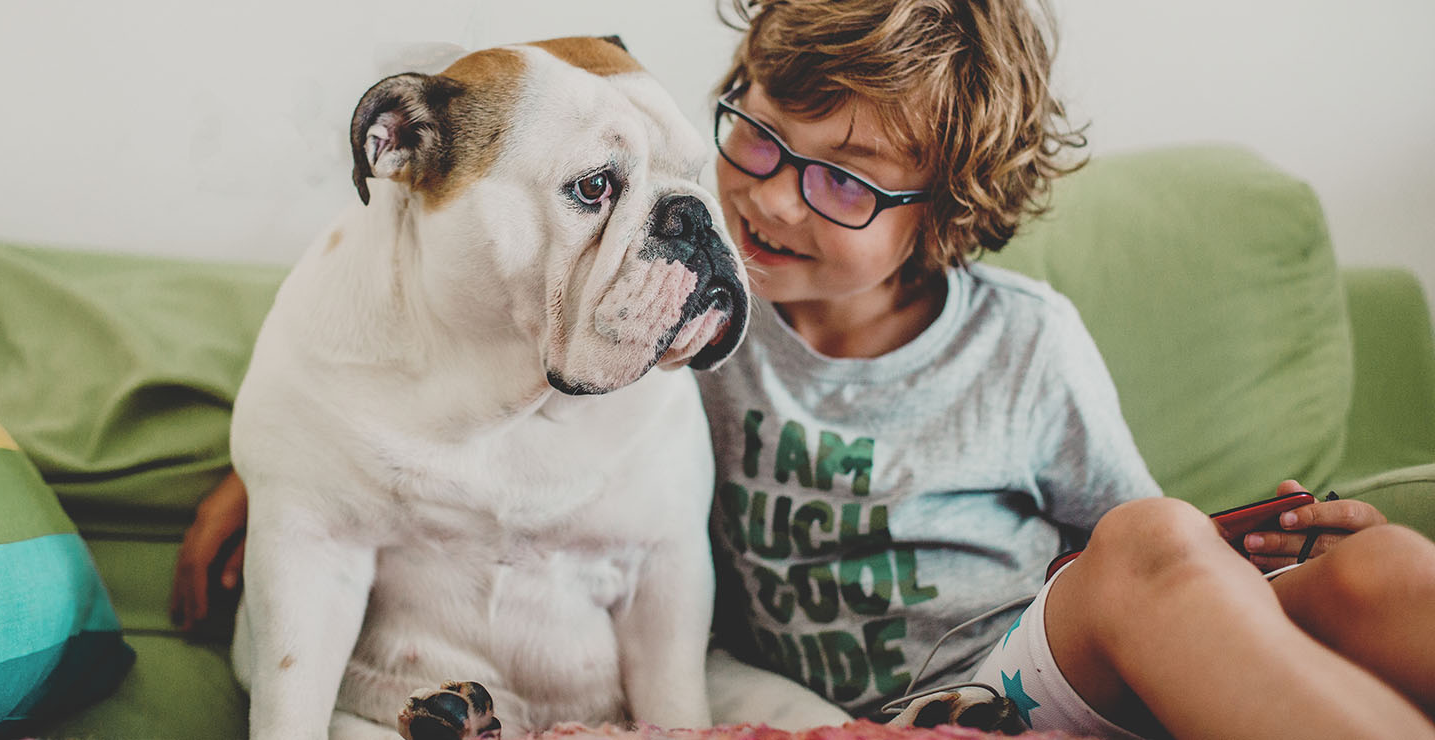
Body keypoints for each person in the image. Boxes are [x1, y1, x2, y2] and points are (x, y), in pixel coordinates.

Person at [173, 0, 1435, 737]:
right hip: (910, 715)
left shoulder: (1026, 342)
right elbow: (453, 416)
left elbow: (1133, 548)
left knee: (1357, 563)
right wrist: (267, 472)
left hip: (1027, 665)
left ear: (945, 215)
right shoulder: (677, 330)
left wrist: (1248, 552)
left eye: (839, 176)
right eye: (758, 138)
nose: (768, 200)